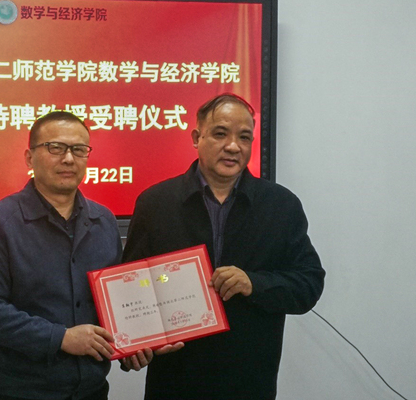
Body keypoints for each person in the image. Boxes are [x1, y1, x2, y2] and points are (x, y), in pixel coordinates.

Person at [122, 93, 325, 399]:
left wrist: (254, 283)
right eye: (220, 134)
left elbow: (309, 285)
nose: (233, 146)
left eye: (244, 137)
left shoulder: (281, 206)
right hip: (174, 382)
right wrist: (132, 348)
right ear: (196, 138)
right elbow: (130, 288)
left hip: (250, 383)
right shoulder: (156, 203)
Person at [0, 111, 131, 400]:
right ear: (29, 158)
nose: (68, 159)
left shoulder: (103, 221)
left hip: (92, 390)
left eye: (79, 150)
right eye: (55, 148)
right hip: (23, 392)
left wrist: (135, 344)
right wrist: (61, 338)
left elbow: (115, 302)